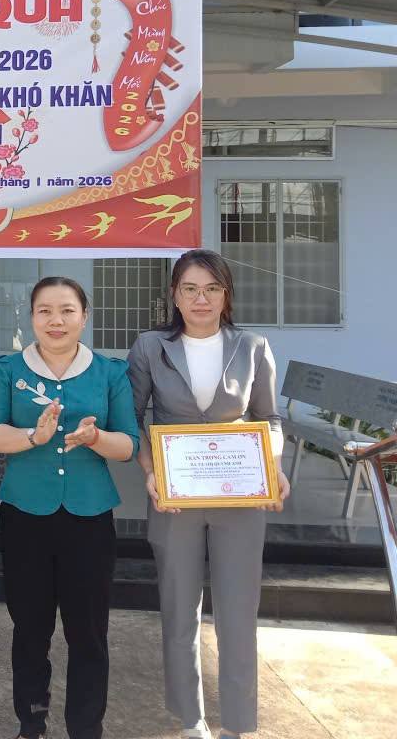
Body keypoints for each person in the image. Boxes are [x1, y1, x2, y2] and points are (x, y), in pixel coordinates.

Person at [127, 249, 290, 739]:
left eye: (212, 289)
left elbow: (269, 419)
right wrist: (150, 471)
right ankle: (190, 718)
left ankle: (237, 724)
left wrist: (272, 466)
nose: (202, 299)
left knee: (239, 613)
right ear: (174, 295)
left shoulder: (252, 346)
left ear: (226, 295)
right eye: (191, 289)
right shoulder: (150, 347)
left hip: (239, 497)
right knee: (180, 610)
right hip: (174, 497)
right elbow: (132, 418)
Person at [0, 277, 139, 739]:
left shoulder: (109, 372)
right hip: (26, 515)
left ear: (84, 316)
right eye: (45, 311)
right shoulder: (7, 369)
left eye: (67, 310)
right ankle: (31, 723)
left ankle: (86, 728)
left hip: (90, 516)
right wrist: (34, 436)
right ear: (31, 317)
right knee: (30, 628)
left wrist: (96, 437)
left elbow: (129, 444)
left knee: (88, 632)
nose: (56, 320)